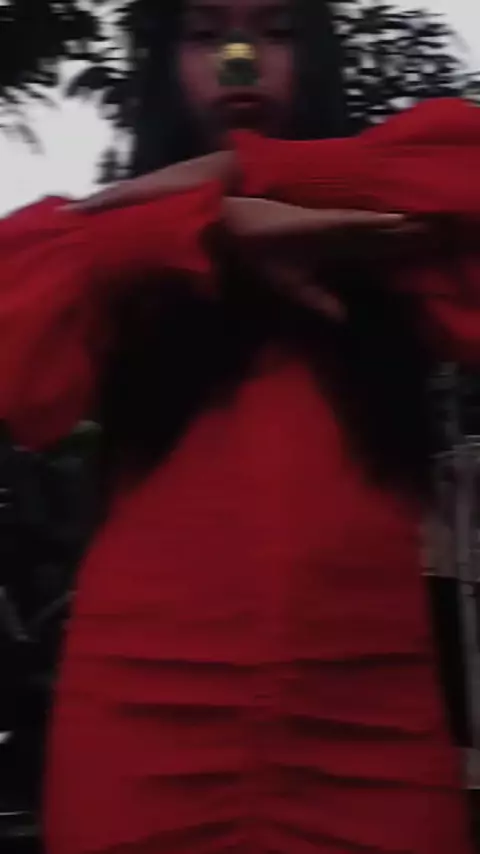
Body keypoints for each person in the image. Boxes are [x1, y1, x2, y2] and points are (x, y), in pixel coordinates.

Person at [1, 1, 480, 852]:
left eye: (276, 31)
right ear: (164, 66)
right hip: (141, 716)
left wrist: (248, 170)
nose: (239, 58)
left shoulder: (384, 238)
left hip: (373, 709)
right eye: (206, 34)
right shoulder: (117, 260)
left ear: (319, 56)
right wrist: (200, 224)